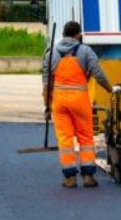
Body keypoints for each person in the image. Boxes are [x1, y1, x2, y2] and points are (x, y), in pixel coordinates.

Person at [42, 21, 112, 188]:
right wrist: (110, 89)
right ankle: (88, 176)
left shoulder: (51, 53)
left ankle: (70, 178)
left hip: (59, 102)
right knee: (85, 137)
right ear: (78, 35)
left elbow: (46, 84)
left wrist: (47, 106)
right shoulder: (85, 51)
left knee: (65, 139)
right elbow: (98, 74)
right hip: (80, 100)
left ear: (64, 34)